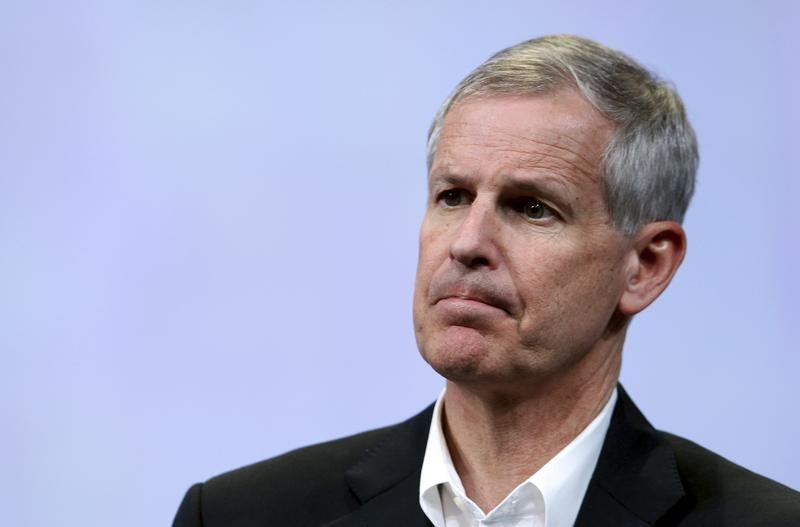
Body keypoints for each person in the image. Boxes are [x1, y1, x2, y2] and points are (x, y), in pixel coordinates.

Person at [173, 35, 800, 526]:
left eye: (532, 207)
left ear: (645, 266)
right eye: (452, 196)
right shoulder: (238, 515)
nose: (468, 243)